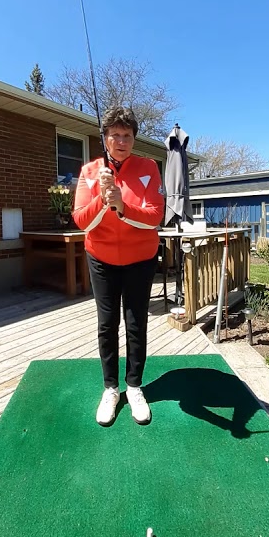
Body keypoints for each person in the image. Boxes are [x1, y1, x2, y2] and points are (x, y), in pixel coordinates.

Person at [72, 106, 165, 426]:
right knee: (107, 323)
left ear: (134, 138)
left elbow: (154, 216)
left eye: (127, 135)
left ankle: (134, 387)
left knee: (136, 322)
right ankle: (111, 389)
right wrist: (102, 197)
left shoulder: (148, 167)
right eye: (115, 135)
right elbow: (82, 221)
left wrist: (122, 205)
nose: (121, 141)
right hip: (101, 258)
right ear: (105, 138)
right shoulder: (90, 171)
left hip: (141, 259)